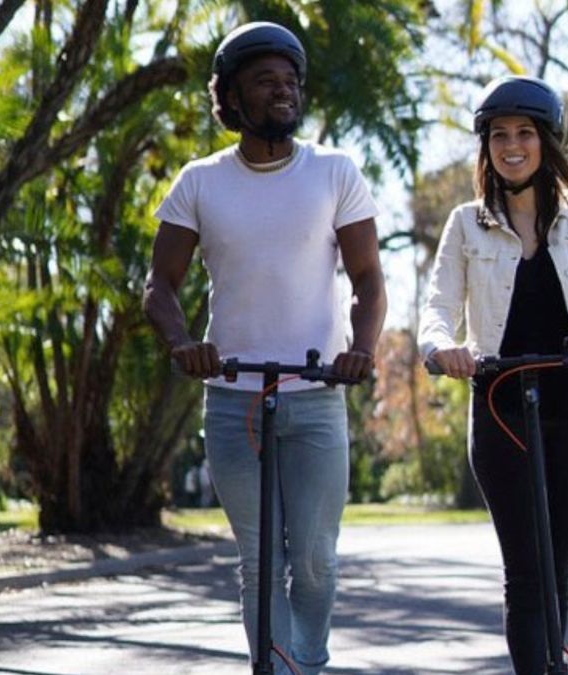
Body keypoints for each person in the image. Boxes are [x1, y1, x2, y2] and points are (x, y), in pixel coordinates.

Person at [143, 21, 386, 674]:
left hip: (315, 399)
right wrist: (183, 342)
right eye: (265, 81)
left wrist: (360, 349)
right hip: (232, 400)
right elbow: (158, 286)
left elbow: (367, 280)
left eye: (290, 81)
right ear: (230, 97)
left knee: (313, 560)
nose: (282, 92)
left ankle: (304, 664)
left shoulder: (335, 172)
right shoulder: (200, 182)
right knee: (258, 559)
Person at [418, 75, 568, 673]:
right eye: (499, 135)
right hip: (501, 407)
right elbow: (437, 307)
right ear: (485, 147)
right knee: (527, 570)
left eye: (525, 134)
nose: (512, 146)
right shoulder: (466, 223)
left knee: (557, 565)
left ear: (547, 143)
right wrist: (442, 347)